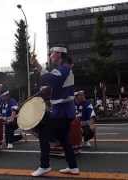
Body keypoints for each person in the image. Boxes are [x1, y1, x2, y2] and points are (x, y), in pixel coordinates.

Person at [30, 46, 79, 176]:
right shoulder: (63, 69)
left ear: (58, 54)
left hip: (62, 112)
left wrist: (38, 65)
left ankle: (44, 166)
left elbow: (50, 79)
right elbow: (52, 83)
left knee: (43, 134)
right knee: (64, 139)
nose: (50, 55)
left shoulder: (64, 69)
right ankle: (73, 167)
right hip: (64, 111)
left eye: (52, 53)